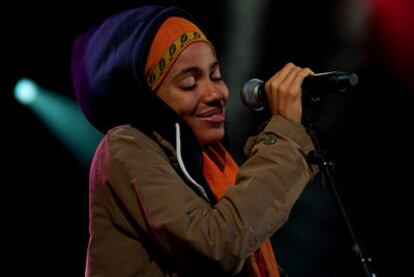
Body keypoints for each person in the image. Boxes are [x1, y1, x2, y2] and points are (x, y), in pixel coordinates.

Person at [71, 5, 317, 277]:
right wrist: (283, 135)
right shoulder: (126, 146)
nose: (216, 93)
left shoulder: (212, 161)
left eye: (216, 76)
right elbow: (217, 246)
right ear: (151, 98)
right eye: (189, 83)